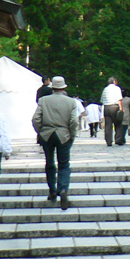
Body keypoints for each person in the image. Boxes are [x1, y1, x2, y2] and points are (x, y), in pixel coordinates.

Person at [32, 76, 80, 210]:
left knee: (50, 163)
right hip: (64, 134)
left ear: (52, 87)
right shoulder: (71, 102)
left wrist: (41, 131)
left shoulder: (43, 100)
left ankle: (52, 190)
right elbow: (74, 121)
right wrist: (72, 134)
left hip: (47, 134)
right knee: (64, 164)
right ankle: (63, 188)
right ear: (64, 87)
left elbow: (35, 119)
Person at [100, 77, 123, 147]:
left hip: (106, 107)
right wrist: (121, 108)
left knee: (108, 125)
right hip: (114, 106)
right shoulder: (117, 88)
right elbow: (119, 99)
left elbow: (102, 100)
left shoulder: (105, 89)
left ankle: (108, 141)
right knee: (118, 123)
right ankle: (118, 140)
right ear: (115, 81)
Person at [35, 77, 53, 144]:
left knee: (40, 122)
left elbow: (37, 100)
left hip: (41, 108)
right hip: (48, 109)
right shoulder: (49, 90)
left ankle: (39, 138)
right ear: (47, 81)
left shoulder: (39, 90)